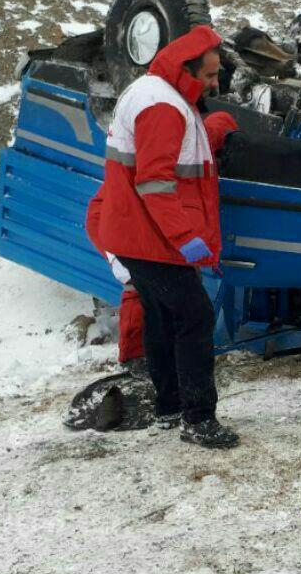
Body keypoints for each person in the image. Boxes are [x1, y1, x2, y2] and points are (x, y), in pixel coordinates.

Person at [86, 25, 240, 449]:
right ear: (186, 69)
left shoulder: (155, 92)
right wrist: (187, 238)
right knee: (196, 318)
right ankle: (199, 419)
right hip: (152, 239)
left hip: (134, 233)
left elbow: (169, 153)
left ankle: (170, 407)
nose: (214, 83)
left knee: (162, 317)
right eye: (209, 76)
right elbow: (156, 182)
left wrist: (211, 130)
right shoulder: (163, 107)